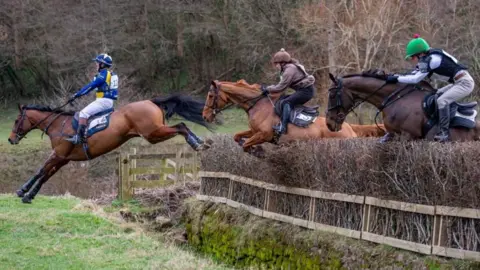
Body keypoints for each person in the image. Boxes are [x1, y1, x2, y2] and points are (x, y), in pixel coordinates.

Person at [384, 34, 474, 142]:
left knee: (442, 101)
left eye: (413, 57)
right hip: (457, 82)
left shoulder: (433, 59)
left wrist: (396, 79)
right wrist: (396, 76)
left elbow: (415, 79)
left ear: (420, 54)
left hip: (465, 83)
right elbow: (413, 73)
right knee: (434, 94)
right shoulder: (428, 57)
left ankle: (444, 133)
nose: (412, 60)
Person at [65, 53, 119, 145]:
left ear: (102, 64)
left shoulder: (104, 74)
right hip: (106, 101)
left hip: (103, 101)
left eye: (97, 63)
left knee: (83, 113)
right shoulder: (109, 74)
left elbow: (91, 86)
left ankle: (80, 138)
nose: (96, 65)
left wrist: (76, 95)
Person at [261, 48, 315, 135]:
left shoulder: (289, 70)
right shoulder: (288, 68)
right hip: (303, 90)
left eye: (276, 64)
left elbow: (281, 86)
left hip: (306, 92)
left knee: (286, 102)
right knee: (283, 100)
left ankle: (283, 127)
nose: (275, 66)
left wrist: (268, 89)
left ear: (282, 63)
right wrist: (269, 88)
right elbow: (281, 85)